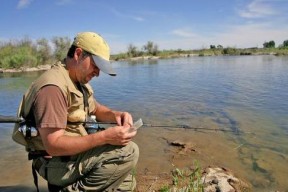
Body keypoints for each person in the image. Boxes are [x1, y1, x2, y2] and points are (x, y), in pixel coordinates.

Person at [12, 32, 139, 191]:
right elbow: (53, 146)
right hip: (55, 163)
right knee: (128, 152)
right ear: (78, 54)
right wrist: (105, 137)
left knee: (127, 181)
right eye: (95, 66)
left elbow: (95, 108)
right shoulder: (52, 89)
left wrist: (116, 115)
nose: (98, 73)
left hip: (74, 155)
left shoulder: (77, 79)